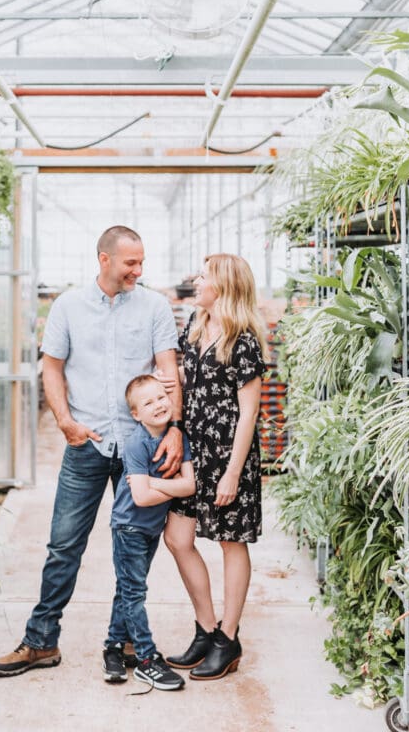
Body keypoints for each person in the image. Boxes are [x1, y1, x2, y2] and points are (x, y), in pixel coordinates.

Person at [0, 226, 183, 679]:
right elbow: (51, 367)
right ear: (104, 259)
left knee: (135, 547)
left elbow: (169, 372)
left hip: (140, 447)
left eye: (142, 262)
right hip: (88, 443)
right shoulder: (69, 307)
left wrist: (173, 427)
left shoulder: (154, 306)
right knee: (63, 546)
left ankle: (124, 640)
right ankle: (40, 642)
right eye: (130, 262)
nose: (139, 270)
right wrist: (64, 421)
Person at [163, 254, 267, 681]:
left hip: (229, 457)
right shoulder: (194, 323)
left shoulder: (244, 341)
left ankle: (228, 637)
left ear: (223, 285)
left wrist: (232, 473)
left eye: (204, 276)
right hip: (195, 452)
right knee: (177, 537)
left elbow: (249, 414)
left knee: (230, 542)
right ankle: (206, 628)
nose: (197, 280)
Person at [105, 374, 195, 692]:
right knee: (134, 593)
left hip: (151, 529)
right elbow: (140, 499)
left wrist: (155, 483)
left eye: (161, 397)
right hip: (129, 527)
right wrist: (167, 488)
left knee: (128, 589)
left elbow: (190, 485)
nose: (158, 405)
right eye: (148, 402)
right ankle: (145, 659)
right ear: (135, 414)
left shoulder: (178, 440)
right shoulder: (136, 443)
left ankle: (113, 648)